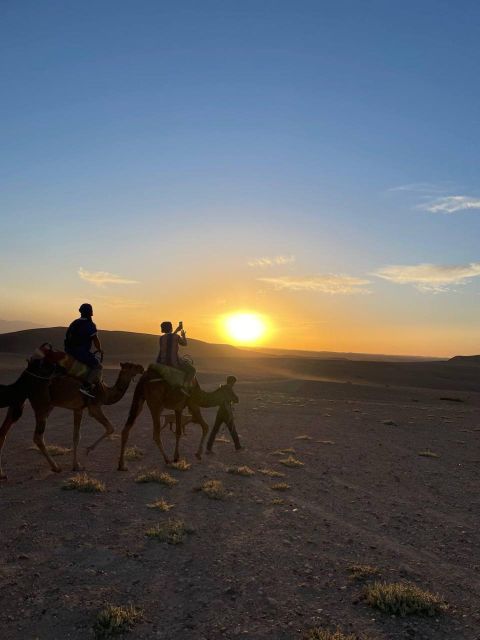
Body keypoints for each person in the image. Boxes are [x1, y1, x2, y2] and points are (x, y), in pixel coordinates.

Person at [64, 303, 103, 398]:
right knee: (97, 366)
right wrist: (99, 349)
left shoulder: (74, 322)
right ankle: (86, 386)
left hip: (69, 350)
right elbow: (95, 340)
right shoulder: (90, 325)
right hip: (80, 352)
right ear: (91, 313)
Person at [206, 376, 242, 453]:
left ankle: (208, 448)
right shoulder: (229, 389)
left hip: (220, 412)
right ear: (232, 382)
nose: (234, 384)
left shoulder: (221, 388)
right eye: (233, 383)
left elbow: (213, 395)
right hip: (227, 413)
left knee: (214, 430)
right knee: (233, 430)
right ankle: (238, 447)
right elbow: (236, 399)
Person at [156, 321, 196, 391]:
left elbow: (170, 338)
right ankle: (185, 386)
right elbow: (184, 344)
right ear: (171, 328)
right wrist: (183, 335)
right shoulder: (176, 337)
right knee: (192, 370)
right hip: (174, 362)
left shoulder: (161, 338)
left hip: (161, 362)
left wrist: (177, 330)